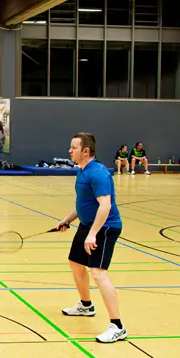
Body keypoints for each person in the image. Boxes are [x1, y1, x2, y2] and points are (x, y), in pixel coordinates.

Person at [57, 132, 126, 344]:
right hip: (87, 226)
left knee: (98, 273)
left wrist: (93, 234)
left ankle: (117, 326)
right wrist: (67, 220)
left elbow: (105, 205)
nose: (69, 151)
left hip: (105, 228)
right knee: (76, 263)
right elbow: (84, 203)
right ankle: (86, 306)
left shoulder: (98, 173)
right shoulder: (83, 171)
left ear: (86, 151)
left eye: (74, 147)